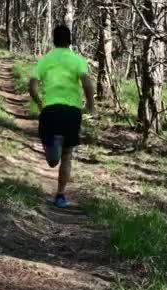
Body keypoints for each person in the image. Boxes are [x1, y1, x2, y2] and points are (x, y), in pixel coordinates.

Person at [29, 25, 95, 208]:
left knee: (52, 160)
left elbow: (32, 85)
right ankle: (60, 195)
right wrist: (90, 106)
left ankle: (53, 147)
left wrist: (40, 102)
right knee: (67, 156)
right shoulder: (78, 60)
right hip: (71, 112)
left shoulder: (45, 60)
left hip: (50, 111)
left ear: (53, 40)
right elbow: (87, 84)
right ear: (70, 40)